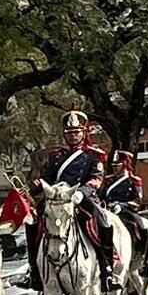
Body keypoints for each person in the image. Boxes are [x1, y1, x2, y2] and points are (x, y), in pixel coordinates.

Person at [32, 110, 118, 283]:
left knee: (102, 220)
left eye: (76, 132)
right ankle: (34, 271)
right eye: (69, 133)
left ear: (84, 133)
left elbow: (96, 179)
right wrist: (31, 188)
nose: (73, 136)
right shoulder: (57, 157)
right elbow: (45, 179)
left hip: (82, 199)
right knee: (33, 223)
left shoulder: (93, 156)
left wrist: (81, 193)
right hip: (57, 200)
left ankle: (107, 266)